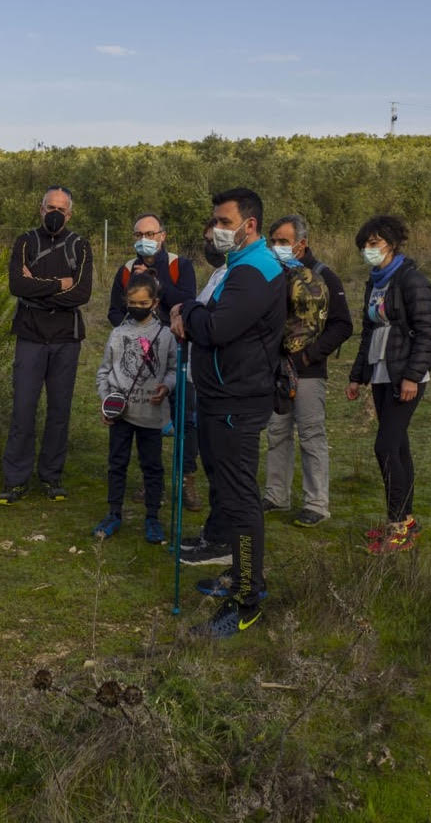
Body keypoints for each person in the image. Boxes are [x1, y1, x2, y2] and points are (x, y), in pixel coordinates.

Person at [171, 188, 286, 637]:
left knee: (240, 499)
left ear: (249, 224)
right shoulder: (238, 267)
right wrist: (195, 311)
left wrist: (189, 311)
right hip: (222, 395)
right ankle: (236, 574)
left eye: (224, 220)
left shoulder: (255, 271)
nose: (216, 228)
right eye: (216, 220)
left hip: (239, 399)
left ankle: (247, 598)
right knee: (227, 488)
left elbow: (217, 327)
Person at [344, 215, 431, 554]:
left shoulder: (411, 280)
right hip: (381, 373)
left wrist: (412, 376)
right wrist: (357, 376)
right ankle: (408, 522)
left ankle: (396, 528)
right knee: (398, 447)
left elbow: (426, 332)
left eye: (374, 243)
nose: (368, 250)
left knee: (384, 447)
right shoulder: (375, 281)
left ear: (392, 243)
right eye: (365, 245)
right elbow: (368, 332)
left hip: (405, 376)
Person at [0, 186, 94, 505]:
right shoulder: (25, 241)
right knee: (23, 408)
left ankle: (52, 476)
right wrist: (58, 284)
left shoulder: (80, 245)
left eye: (61, 210)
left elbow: (81, 294)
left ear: (70, 214)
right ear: (40, 209)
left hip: (66, 337)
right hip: (30, 335)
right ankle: (15, 479)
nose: (55, 213)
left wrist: (35, 288)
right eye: (50, 207)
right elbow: (16, 285)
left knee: (59, 410)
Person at [261, 214, 353, 527]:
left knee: (311, 434)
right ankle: (276, 494)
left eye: (284, 242)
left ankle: (316, 503)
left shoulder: (324, 275)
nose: (277, 247)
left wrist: (310, 356)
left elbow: (343, 325)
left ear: (302, 243)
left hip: (309, 369)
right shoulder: (273, 274)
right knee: (276, 431)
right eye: (273, 241)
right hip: (276, 367)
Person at [106, 213, 199, 509]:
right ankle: (152, 483)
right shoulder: (124, 270)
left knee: (184, 416)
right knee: (146, 420)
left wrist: (155, 280)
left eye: (150, 234)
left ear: (162, 235)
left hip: (175, 352)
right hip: (138, 358)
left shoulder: (178, 265)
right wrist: (130, 331)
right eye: (138, 235)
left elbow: (187, 302)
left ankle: (186, 481)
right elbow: (113, 311)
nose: (144, 240)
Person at [94, 272, 177, 543]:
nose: (137, 307)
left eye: (143, 303)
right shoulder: (118, 334)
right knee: (117, 463)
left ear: (154, 303)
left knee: (152, 466)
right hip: (122, 415)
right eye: (132, 302)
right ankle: (113, 513)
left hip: (152, 416)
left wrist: (166, 386)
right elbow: (104, 372)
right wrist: (107, 402)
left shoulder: (166, 336)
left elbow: (175, 370)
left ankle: (152, 516)